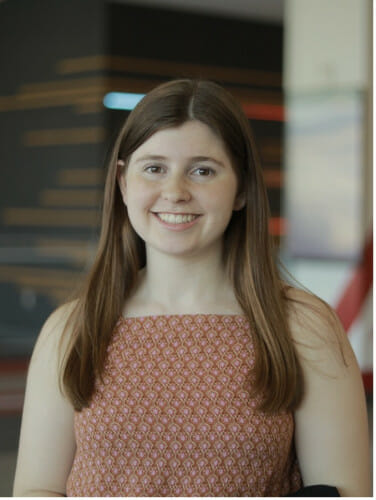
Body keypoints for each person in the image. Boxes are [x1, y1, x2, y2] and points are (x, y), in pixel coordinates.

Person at [13, 79, 370, 497]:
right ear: (124, 183)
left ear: (241, 189)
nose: (175, 192)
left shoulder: (303, 326)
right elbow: (37, 490)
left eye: (202, 170)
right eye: (154, 168)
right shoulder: (72, 327)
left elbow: (344, 492)